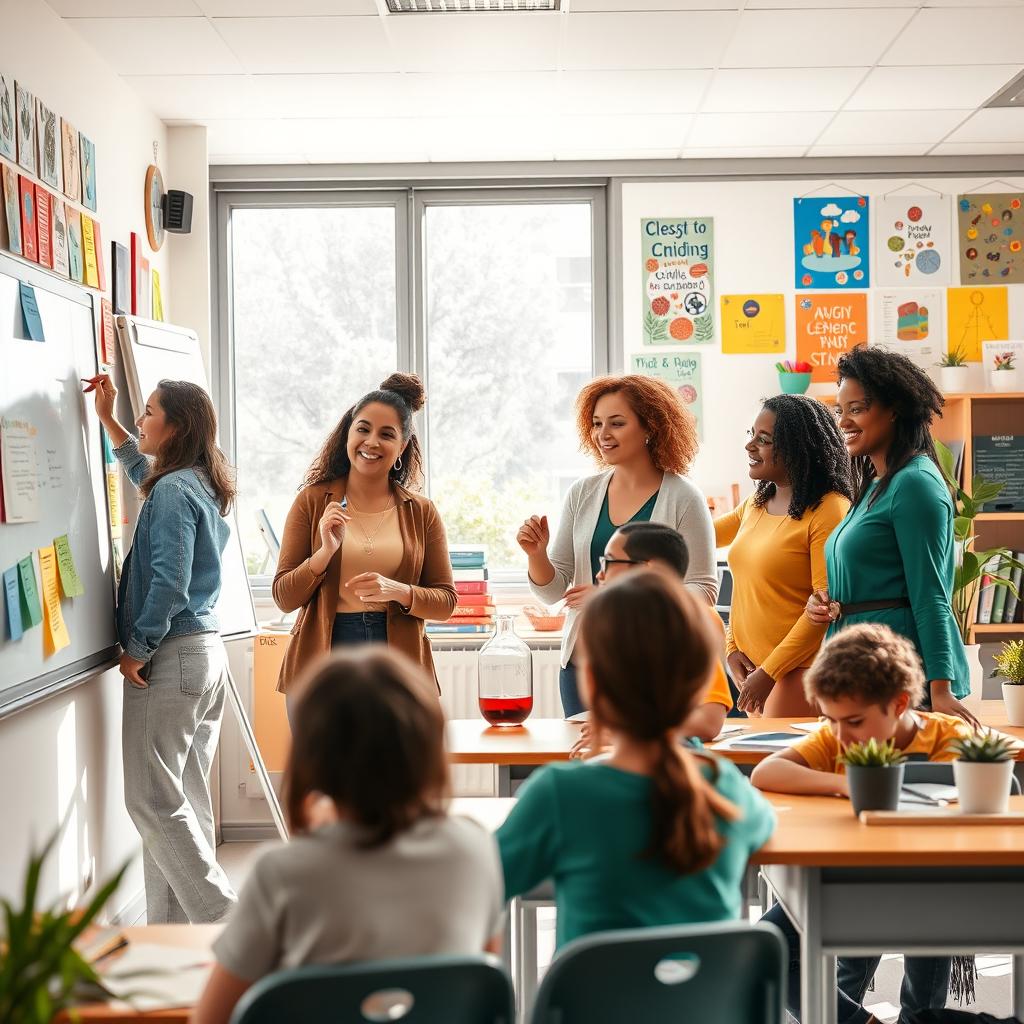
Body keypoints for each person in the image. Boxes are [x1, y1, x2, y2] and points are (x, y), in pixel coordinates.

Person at [192, 649, 504, 1024]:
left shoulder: (283, 872)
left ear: (312, 755)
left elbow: (210, 1019)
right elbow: (480, 988)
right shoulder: (474, 850)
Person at [497, 571, 774, 949]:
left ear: (590, 682)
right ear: (698, 687)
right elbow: (764, 828)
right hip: (707, 1008)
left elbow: (484, 883)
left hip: (593, 1008)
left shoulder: (560, 794)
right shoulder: (725, 787)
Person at [754, 623, 973, 1024]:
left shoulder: (949, 738)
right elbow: (766, 772)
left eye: (854, 721)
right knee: (767, 947)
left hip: (930, 888)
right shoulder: (835, 736)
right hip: (847, 883)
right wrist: (846, 784)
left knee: (927, 982)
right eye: (831, 720)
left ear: (900, 704)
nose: (841, 735)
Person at [84, 374, 237, 924]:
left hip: (171, 654)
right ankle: (174, 938)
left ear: (175, 427)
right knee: (183, 801)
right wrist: (110, 421)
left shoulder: (174, 490)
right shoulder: (195, 481)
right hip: (205, 654)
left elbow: (168, 581)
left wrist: (138, 648)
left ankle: (225, 920)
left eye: (149, 413)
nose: (142, 419)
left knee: (150, 800)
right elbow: (142, 472)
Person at [517, 374, 717, 717]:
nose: (602, 435)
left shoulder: (684, 497)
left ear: (650, 427)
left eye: (617, 423)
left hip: (653, 669)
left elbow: (704, 590)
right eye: (596, 424)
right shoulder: (582, 493)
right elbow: (554, 591)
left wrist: (617, 598)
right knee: (588, 765)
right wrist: (537, 556)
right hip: (582, 667)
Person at [805, 346, 978, 728]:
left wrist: (940, 690)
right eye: (840, 410)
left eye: (857, 408)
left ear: (894, 409)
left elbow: (932, 594)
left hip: (901, 675)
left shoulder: (915, 484)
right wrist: (826, 604)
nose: (844, 421)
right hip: (861, 668)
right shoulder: (876, 484)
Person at [273, 374, 456, 717]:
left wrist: (398, 590)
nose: (371, 442)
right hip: (324, 657)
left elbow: (446, 602)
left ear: (402, 447)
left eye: (387, 434)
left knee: (392, 771)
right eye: (363, 429)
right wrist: (323, 553)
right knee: (327, 772)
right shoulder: (312, 501)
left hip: (398, 659)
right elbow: (284, 597)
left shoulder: (422, 512)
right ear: (348, 434)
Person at [714, 394, 852, 716]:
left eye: (764, 440)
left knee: (774, 766)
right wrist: (732, 647)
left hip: (795, 673)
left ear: (797, 447)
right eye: (751, 435)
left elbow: (823, 609)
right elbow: (697, 536)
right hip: (752, 672)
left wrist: (769, 672)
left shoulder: (828, 509)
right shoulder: (756, 503)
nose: (750, 446)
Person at [572, 522, 733, 750]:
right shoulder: (624, 621)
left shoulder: (686, 620)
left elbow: (708, 722)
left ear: (647, 568)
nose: (599, 574)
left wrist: (625, 732)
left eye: (609, 562)